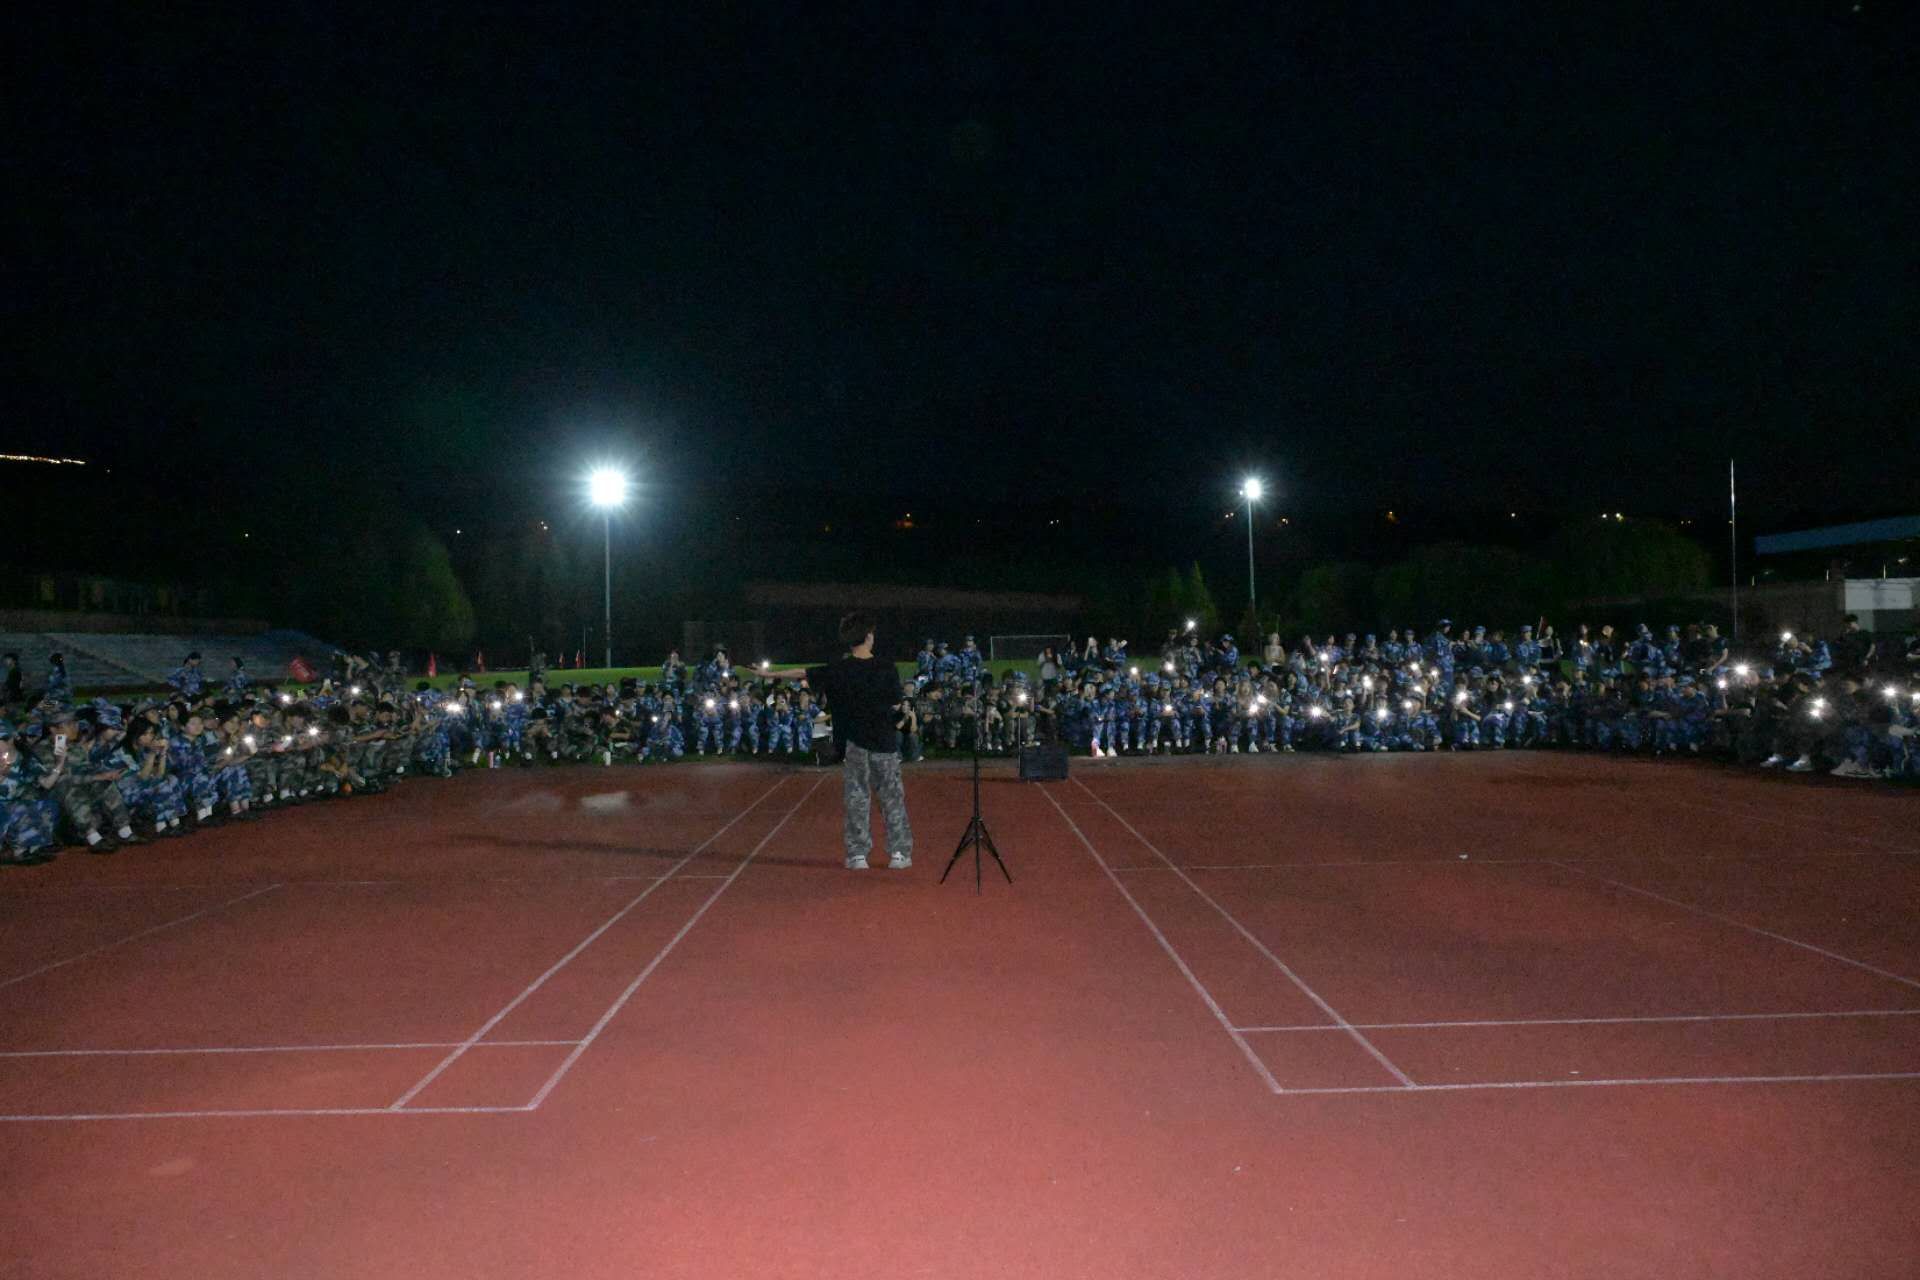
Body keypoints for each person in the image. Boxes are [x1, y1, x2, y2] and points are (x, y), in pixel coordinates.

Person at [775, 612, 914, 871]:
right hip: (883, 741)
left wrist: (768, 673)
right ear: (869, 636)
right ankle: (899, 853)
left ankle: (858, 854)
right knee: (891, 798)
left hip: (853, 743)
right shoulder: (886, 667)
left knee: (857, 798)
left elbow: (802, 673)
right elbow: (896, 703)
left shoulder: (839, 669)